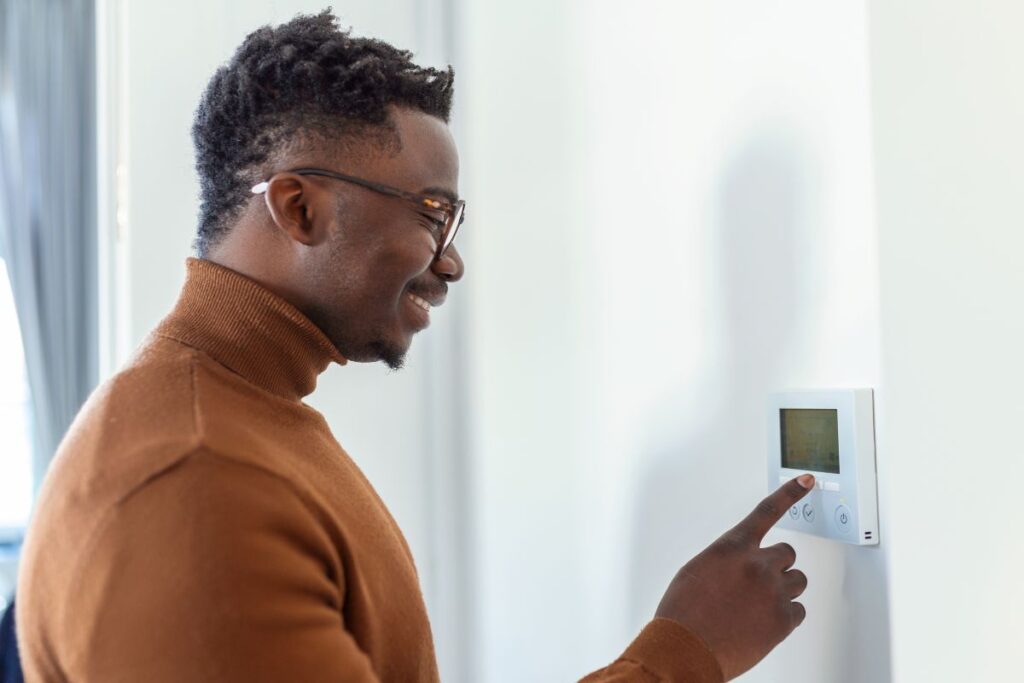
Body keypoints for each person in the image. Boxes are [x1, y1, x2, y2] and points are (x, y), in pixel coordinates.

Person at [16, 11, 812, 682]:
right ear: (298, 209)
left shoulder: (240, 418)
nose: (452, 260)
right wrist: (680, 654)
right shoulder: (197, 481)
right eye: (434, 214)